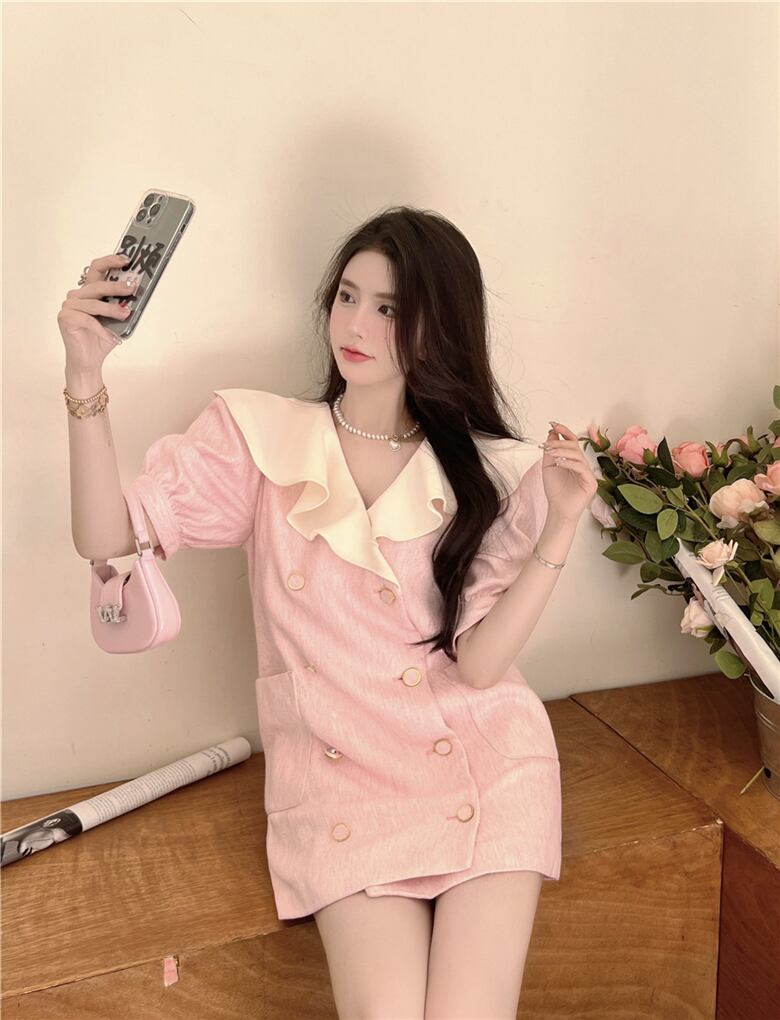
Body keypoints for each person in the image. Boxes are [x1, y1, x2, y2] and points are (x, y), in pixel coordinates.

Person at [59, 205, 597, 1019]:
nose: (356, 324)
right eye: (348, 297)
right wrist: (84, 376)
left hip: (485, 769)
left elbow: (482, 667)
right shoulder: (261, 438)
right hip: (342, 786)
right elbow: (106, 538)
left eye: (389, 309)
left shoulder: (488, 472)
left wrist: (559, 525)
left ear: (438, 330)